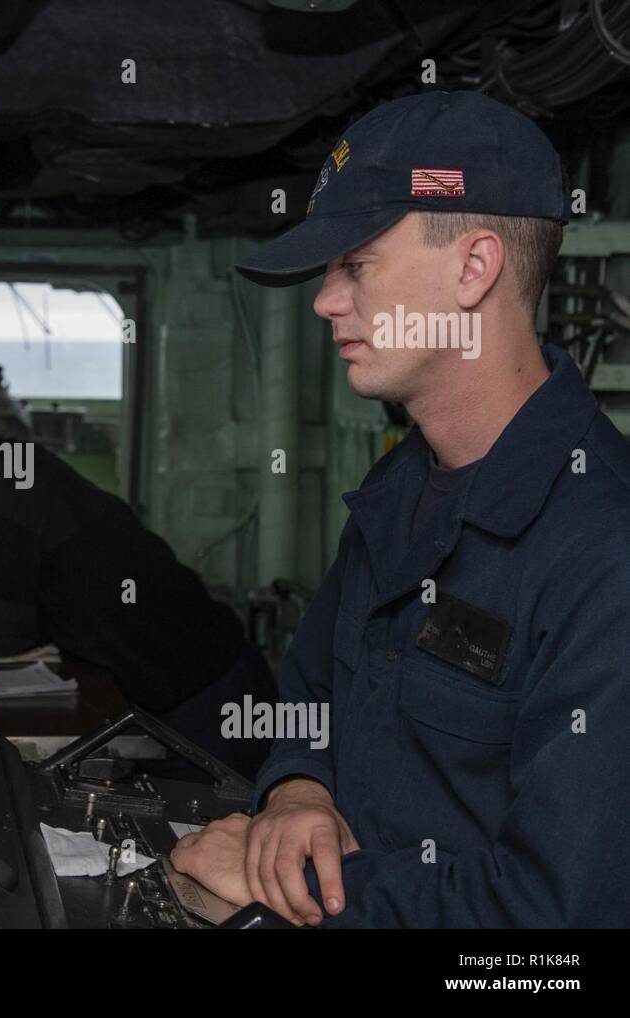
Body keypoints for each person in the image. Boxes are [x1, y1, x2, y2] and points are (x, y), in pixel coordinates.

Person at [170, 90, 630, 927]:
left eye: (356, 263)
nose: (324, 300)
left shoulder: (605, 553)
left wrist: (299, 898)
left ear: (473, 268)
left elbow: (554, 928)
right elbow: (312, 685)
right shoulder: (399, 494)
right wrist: (297, 790)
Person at [0, 416, 277, 778]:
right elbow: (37, 586)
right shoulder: (1, 465)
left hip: (205, 703)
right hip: (215, 669)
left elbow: (2, 636)